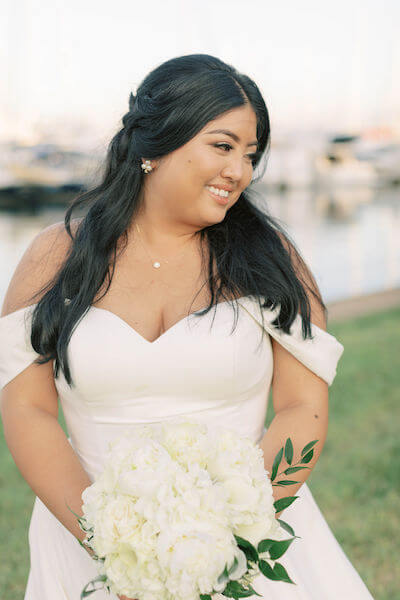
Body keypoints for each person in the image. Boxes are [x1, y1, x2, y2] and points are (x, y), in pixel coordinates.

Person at [0, 54, 374, 599]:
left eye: (250, 155)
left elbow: (302, 408)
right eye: (222, 146)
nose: (239, 171)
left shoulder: (271, 259)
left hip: (244, 543)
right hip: (84, 537)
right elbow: (27, 410)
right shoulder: (55, 257)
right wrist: (111, 548)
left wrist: (233, 542)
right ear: (153, 145)